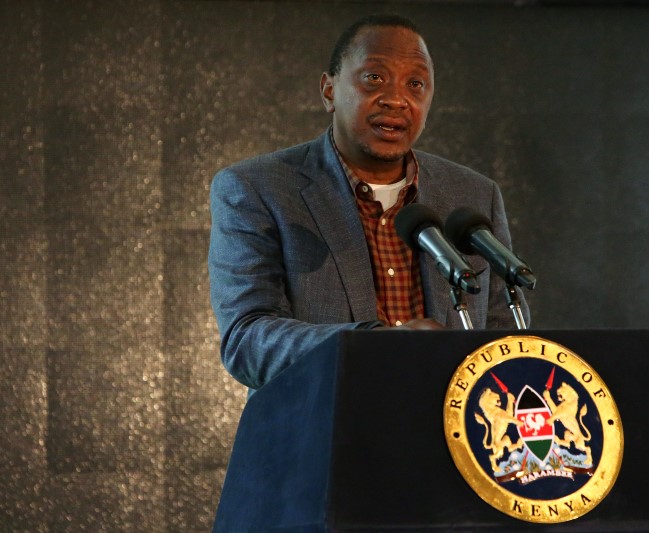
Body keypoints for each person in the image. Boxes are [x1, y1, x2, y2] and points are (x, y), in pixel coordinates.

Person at [208, 14, 529, 393]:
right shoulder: (258, 188)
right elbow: (248, 341)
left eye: (416, 84)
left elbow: (506, 341)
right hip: (327, 436)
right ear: (329, 91)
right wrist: (374, 346)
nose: (396, 99)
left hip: (446, 438)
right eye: (375, 78)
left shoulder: (473, 195)